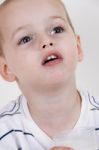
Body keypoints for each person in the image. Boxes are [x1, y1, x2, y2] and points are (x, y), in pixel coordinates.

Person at [0, 0, 99, 149]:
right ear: (7, 68)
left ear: (77, 47)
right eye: (26, 38)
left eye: (57, 29)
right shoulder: (4, 132)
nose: (46, 41)